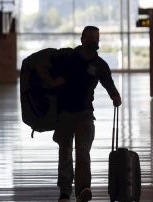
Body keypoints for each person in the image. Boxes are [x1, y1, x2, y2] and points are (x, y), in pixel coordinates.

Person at [52, 26, 122, 202]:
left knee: (82, 152)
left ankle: (83, 188)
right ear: (81, 39)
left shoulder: (100, 65)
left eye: (95, 39)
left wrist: (115, 96)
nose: (93, 42)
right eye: (90, 38)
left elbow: (109, 84)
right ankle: (65, 192)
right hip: (65, 113)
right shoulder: (68, 58)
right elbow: (53, 77)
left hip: (85, 114)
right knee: (65, 152)